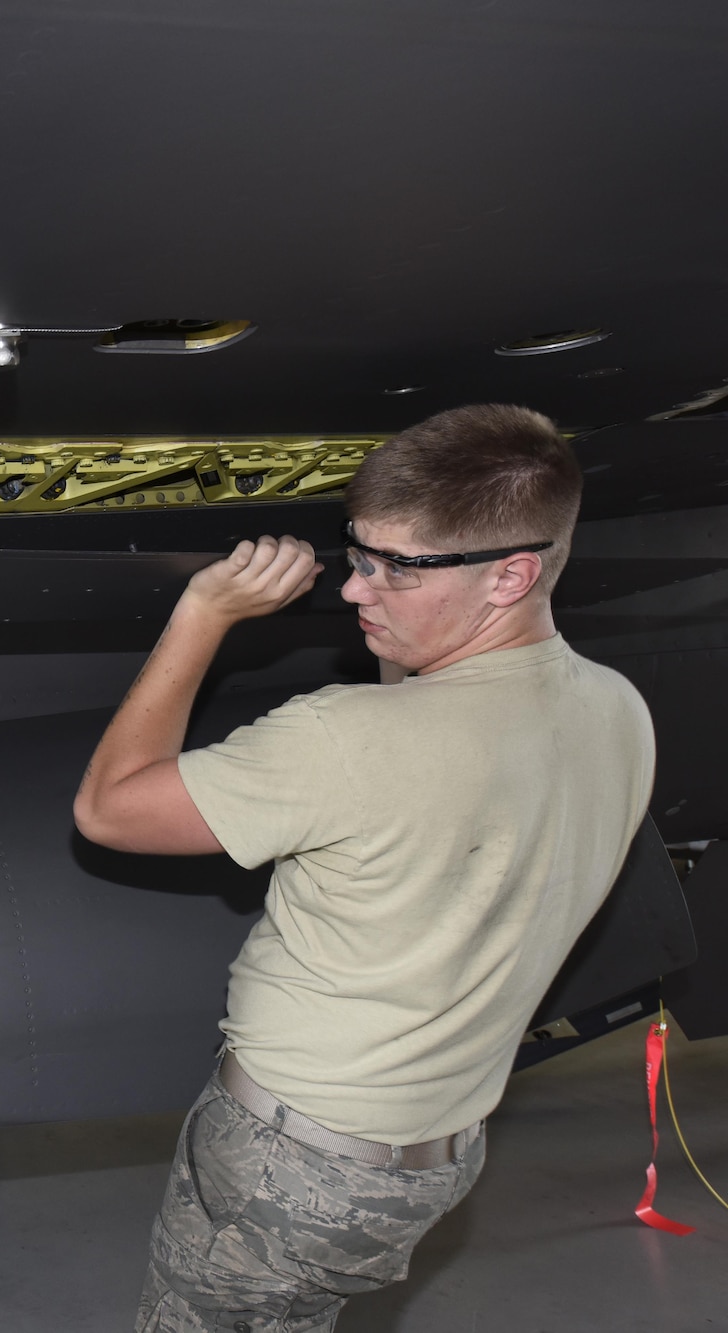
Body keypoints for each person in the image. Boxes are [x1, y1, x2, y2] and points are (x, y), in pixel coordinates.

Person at [72, 404, 653, 1332]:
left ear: (512, 574)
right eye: (361, 554)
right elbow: (439, 745)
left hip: (290, 1163)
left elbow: (107, 809)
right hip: (434, 1153)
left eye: (397, 568)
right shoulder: (617, 708)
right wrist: (407, 620)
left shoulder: (340, 740)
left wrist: (204, 613)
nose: (356, 589)